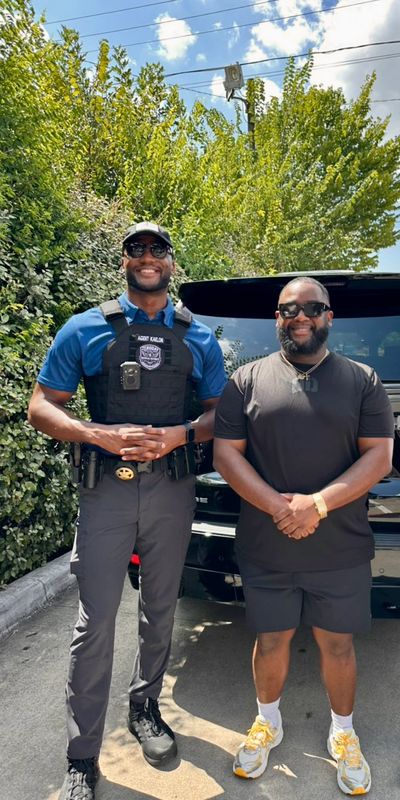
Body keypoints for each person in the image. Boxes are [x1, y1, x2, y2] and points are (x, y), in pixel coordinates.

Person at [27, 222, 227, 800]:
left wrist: (178, 435)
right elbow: (41, 407)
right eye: (136, 249)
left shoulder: (198, 338)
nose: (147, 257)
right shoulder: (84, 328)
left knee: (160, 610)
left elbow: (220, 414)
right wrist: (97, 433)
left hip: (171, 489)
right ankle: (82, 756)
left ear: (171, 262)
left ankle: (145, 708)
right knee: (94, 623)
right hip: (106, 492)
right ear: (123, 262)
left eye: (157, 249)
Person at [213, 276, 394, 795]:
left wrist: (316, 505)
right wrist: (280, 507)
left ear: (328, 316)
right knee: (270, 638)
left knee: (337, 644)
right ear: (277, 317)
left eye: (312, 308)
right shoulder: (245, 380)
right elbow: (226, 455)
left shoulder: (363, 379)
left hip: (340, 545)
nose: (300, 317)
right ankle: (268, 721)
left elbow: (379, 456)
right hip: (267, 542)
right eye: (288, 309)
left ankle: (344, 732)